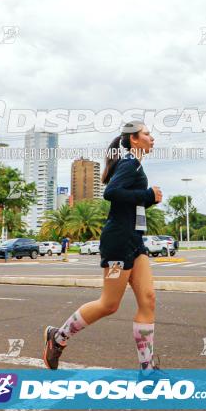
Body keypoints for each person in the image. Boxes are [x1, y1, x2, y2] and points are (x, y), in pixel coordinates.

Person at [43, 121, 165, 375]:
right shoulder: (130, 163)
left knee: (149, 299)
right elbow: (111, 193)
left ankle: (147, 369)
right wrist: (147, 195)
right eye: (147, 134)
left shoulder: (135, 164)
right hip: (118, 245)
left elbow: (127, 204)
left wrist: (149, 200)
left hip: (135, 242)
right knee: (109, 304)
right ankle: (58, 337)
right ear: (134, 139)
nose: (152, 138)